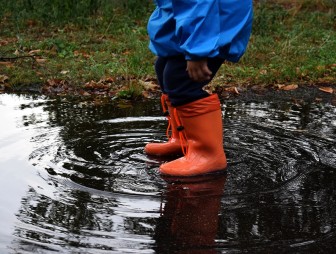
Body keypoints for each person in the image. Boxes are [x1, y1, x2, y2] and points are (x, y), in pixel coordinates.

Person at [145, 0, 253, 176]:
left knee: (180, 80)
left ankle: (208, 156)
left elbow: (197, 4)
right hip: (196, 20)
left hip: (213, 24)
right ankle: (184, 140)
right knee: (163, 67)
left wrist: (197, 51)